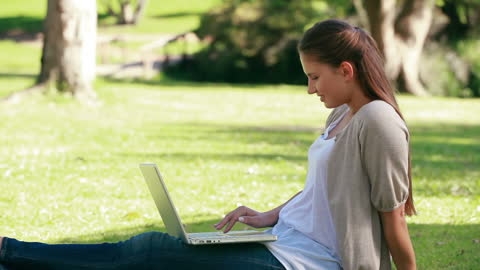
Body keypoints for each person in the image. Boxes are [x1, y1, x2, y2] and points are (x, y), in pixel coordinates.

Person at [0, 19, 416, 270]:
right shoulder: (342, 115)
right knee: (151, 252)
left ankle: (10, 253)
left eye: (314, 76)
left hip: (304, 263)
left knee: (148, 252)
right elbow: (327, 190)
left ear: (346, 70)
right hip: (284, 243)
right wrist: (268, 215)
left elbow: (392, 219)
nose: (310, 89)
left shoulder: (379, 122)